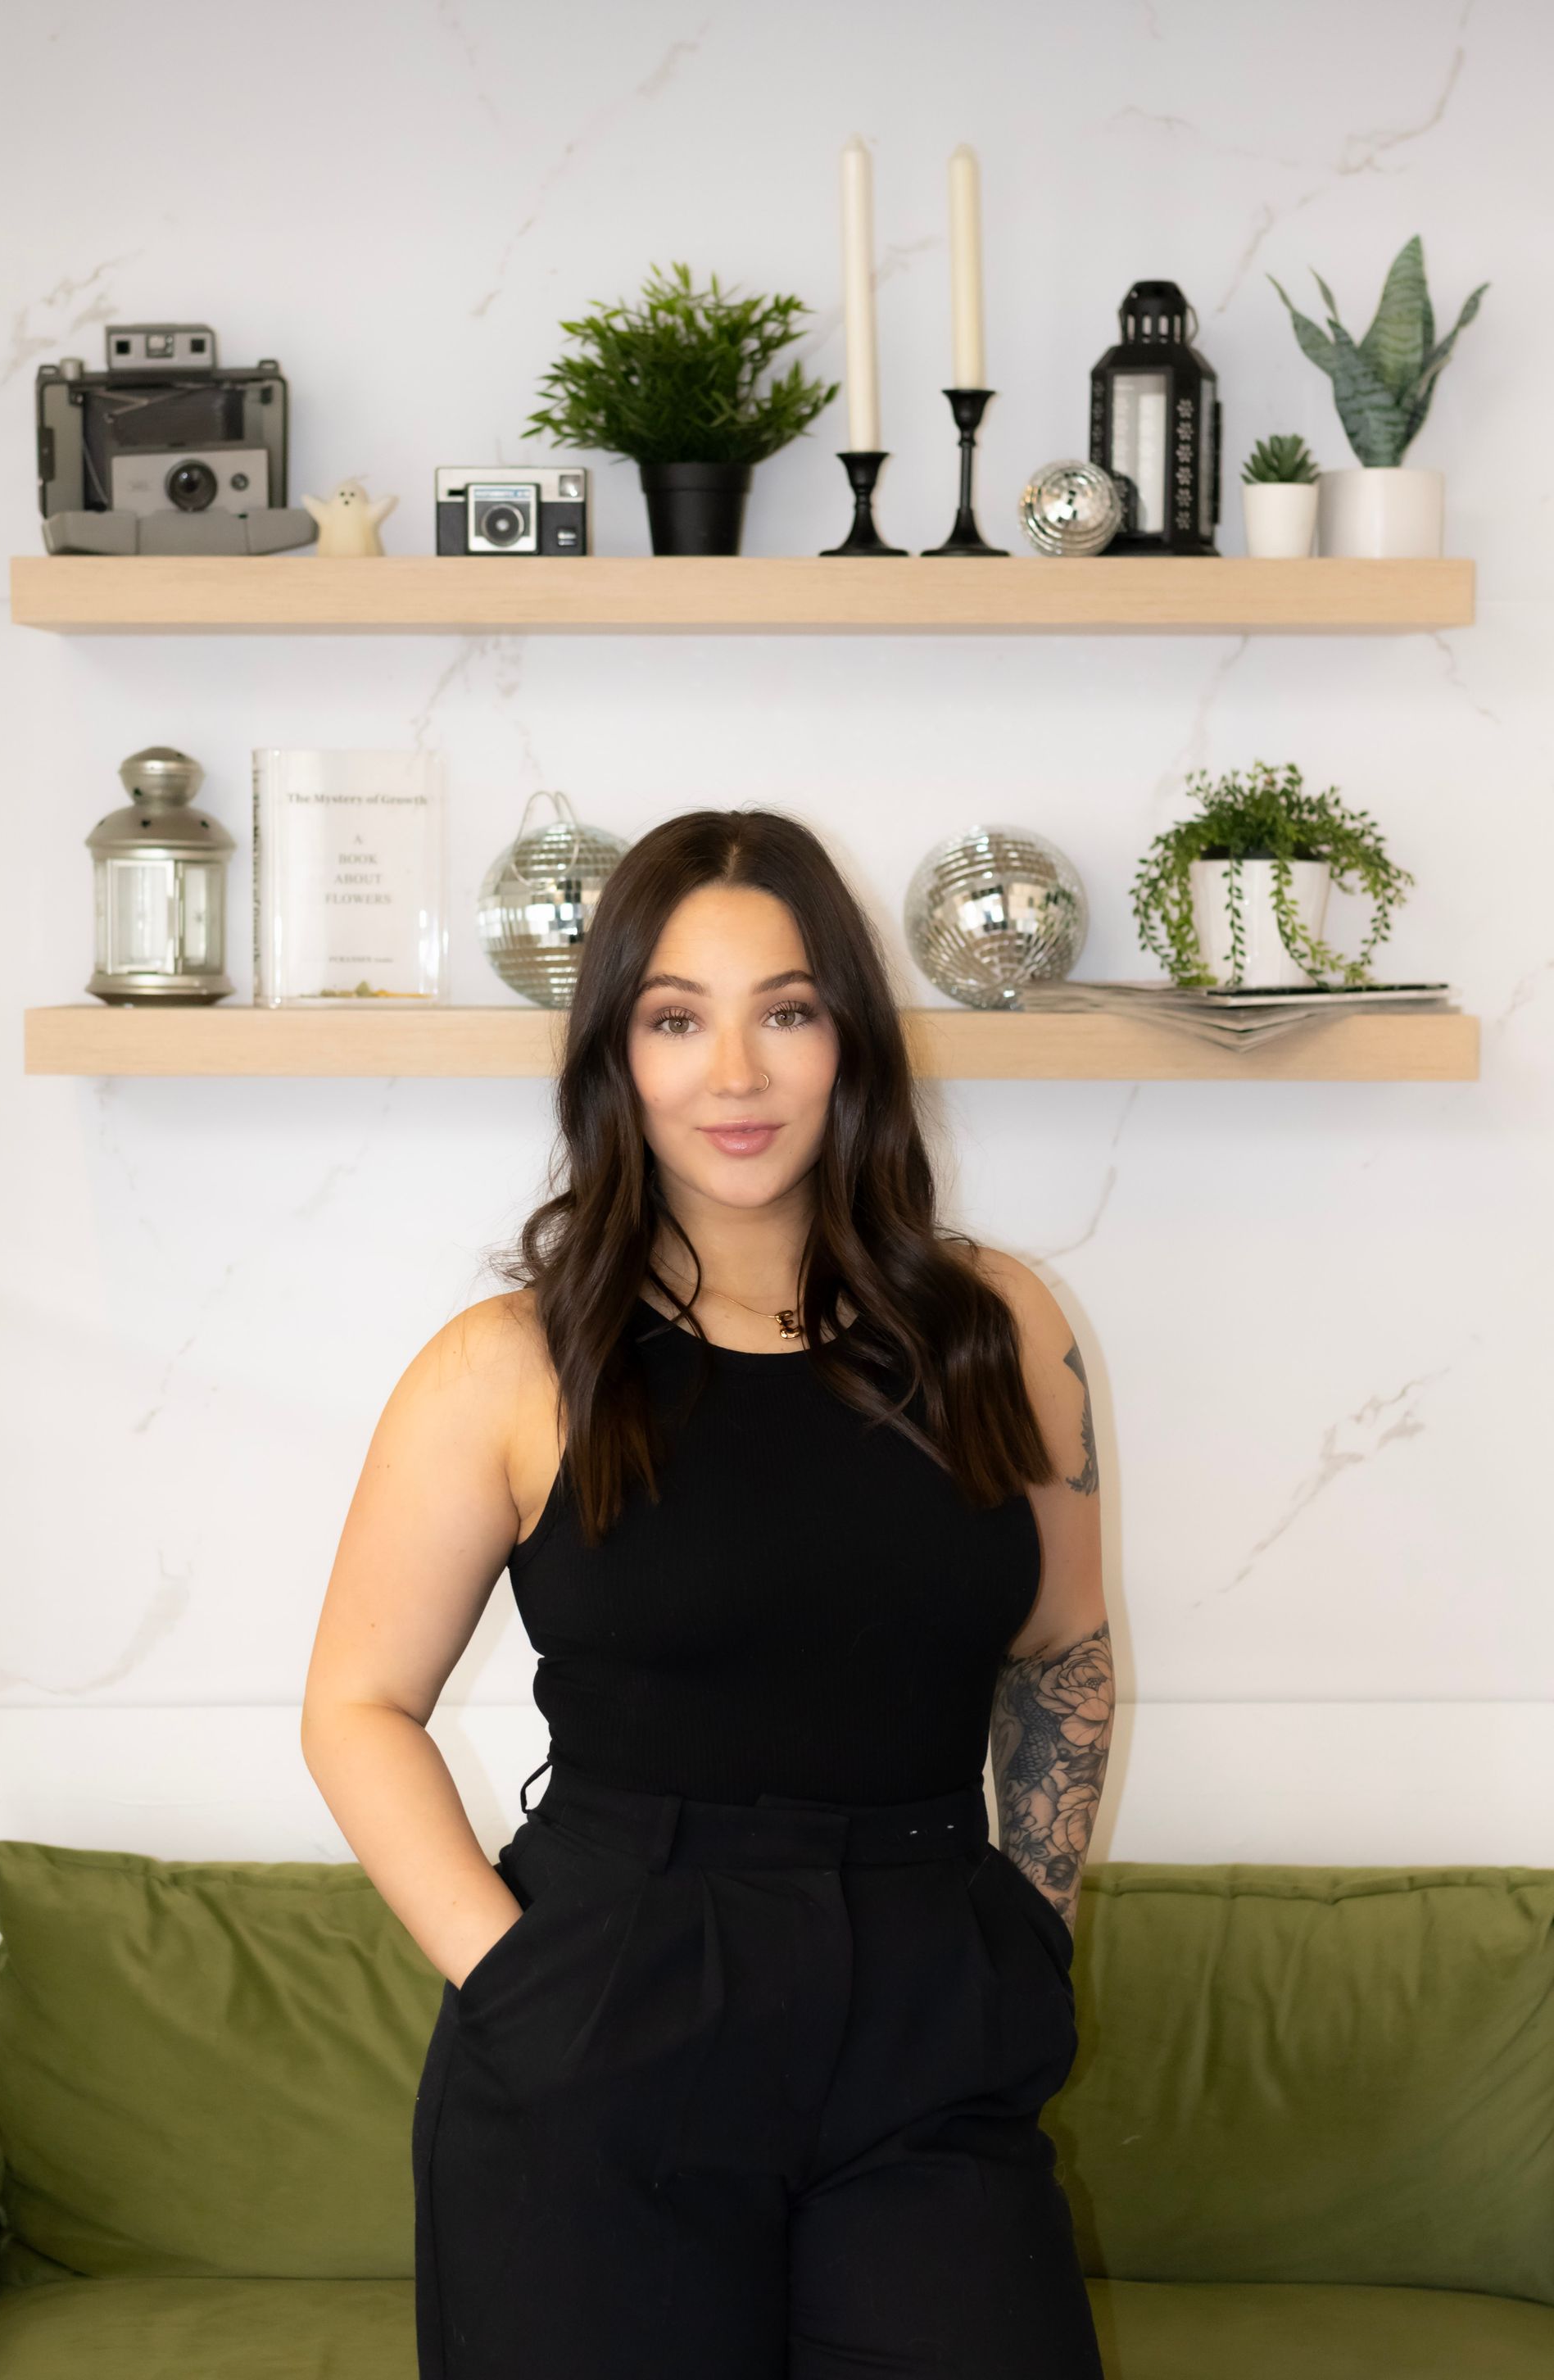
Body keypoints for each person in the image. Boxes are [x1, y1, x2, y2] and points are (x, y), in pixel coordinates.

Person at [301, 806, 1114, 2378]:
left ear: (849, 1041)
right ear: (617, 1053)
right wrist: (516, 1976)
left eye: (786, 1012)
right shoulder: (512, 1365)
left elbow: (1060, 1639)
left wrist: (1033, 1927)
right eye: (677, 1018)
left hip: (933, 2008)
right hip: (608, 2009)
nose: (733, 1076)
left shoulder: (996, 1321)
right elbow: (355, 1703)